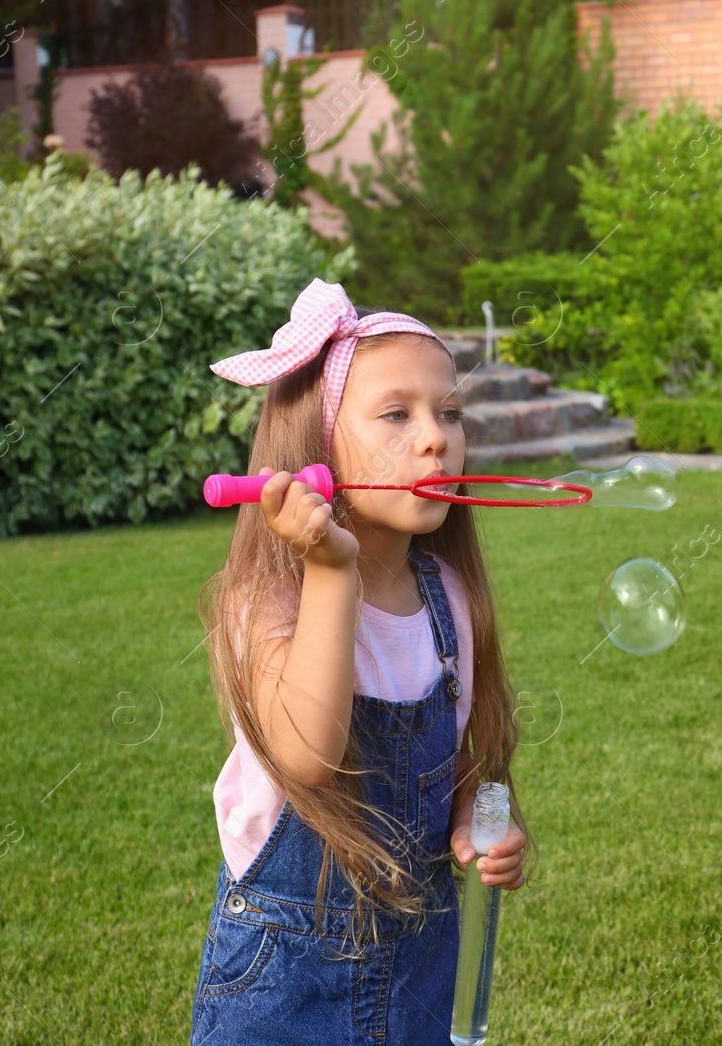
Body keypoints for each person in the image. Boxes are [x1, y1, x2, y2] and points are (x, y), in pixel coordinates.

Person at [190, 279, 529, 1046]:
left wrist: (486, 827)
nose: (436, 436)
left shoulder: (449, 598)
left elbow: (465, 771)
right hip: (285, 982)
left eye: (449, 412)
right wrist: (332, 569)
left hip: (420, 972)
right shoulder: (267, 601)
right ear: (316, 450)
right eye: (396, 414)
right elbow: (308, 755)